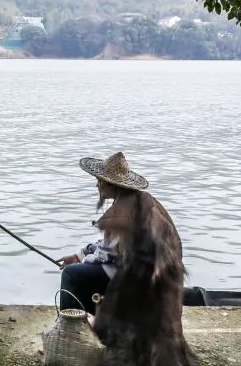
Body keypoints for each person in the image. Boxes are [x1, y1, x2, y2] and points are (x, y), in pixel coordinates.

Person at [56, 152, 197, 365]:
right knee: (82, 270)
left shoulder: (122, 211)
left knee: (72, 276)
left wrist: (81, 261)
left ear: (112, 185)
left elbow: (106, 255)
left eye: (100, 182)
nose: (97, 187)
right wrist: (80, 254)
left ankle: (70, 333)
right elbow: (108, 245)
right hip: (154, 273)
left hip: (137, 277)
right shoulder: (140, 201)